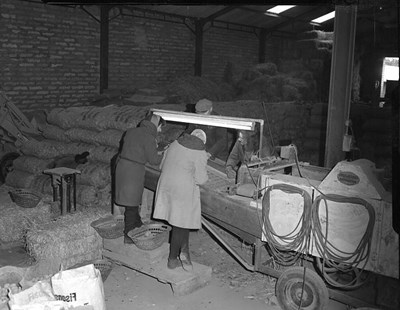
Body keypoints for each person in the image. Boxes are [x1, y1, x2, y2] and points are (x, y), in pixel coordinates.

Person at [153, 129, 209, 270]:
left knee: (182, 221)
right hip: (181, 190)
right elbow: (201, 180)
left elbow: (161, 165)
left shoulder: (175, 144)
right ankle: (172, 259)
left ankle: (184, 253)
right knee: (180, 223)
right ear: (203, 142)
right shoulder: (200, 153)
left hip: (166, 184)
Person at [114, 112, 165, 244]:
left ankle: (138, 225)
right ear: (155, 125)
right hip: (133, 172)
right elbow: (153, 160)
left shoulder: (130, 131)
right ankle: (129, 234)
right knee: (131, 204)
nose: (160, 130)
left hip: (122, 167)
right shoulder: (148, 137)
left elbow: (136, 148)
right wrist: (165, 155)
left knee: (130, 201)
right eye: (160, 127)